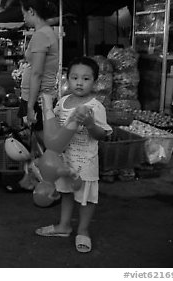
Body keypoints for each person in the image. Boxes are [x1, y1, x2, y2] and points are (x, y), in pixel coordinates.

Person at [35, 57, 112, 254]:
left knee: (85, 198)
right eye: (74, 77)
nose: (79, 82)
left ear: (94, 82)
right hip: (65, 160)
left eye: (86, 79)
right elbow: (55, 130)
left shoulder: (96, 107)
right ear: (67, 80)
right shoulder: (62, 102)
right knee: (66, 193)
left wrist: (90, 124)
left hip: (85, 162)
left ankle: (83, 231)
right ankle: (64, 226)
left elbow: (101, 135)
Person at [18, 0, 59, 148]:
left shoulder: (41, 35)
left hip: (37, 98)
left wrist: (30, 107)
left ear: (31, 11)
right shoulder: (46, 32)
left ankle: (58, 170)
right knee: (38, 142)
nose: (23, 18)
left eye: (24, 13)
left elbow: (37, 73)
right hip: (38, 96)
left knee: (46, 143)